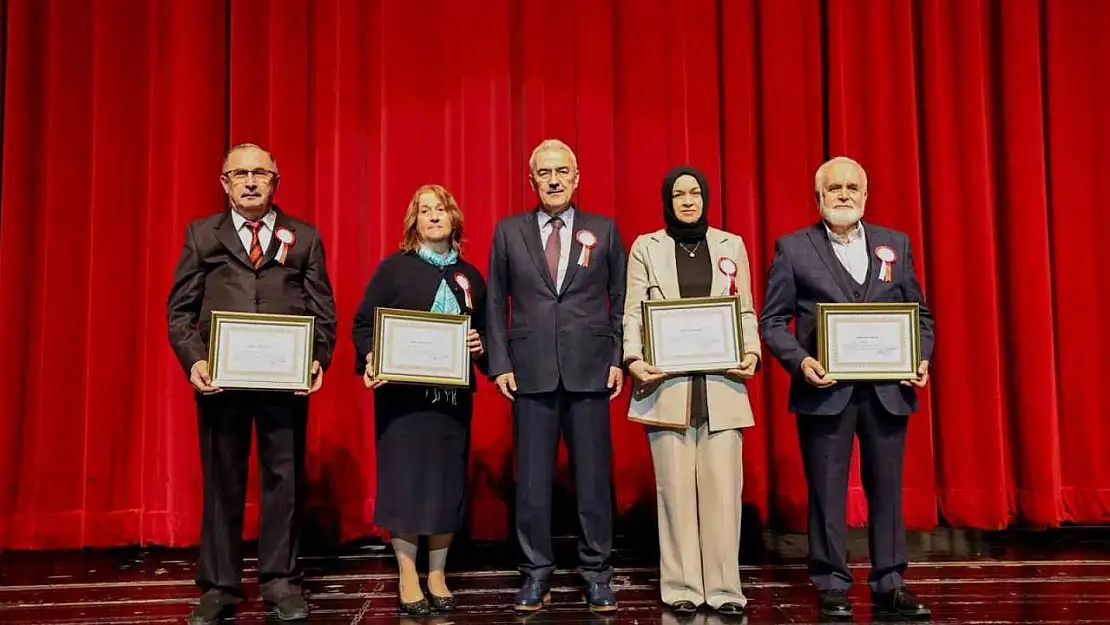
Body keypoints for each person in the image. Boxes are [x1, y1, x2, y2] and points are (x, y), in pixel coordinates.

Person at [167, 143, 338, 624]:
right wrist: (195, 361)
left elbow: (323, 310)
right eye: (239, 174)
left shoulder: (302, 237)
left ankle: (281, 581)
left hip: (284, 383)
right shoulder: (203, 235)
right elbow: (180, 312)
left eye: (259, 173)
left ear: (275, 182)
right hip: (222, 383)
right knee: (223, 481)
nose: (249, 181)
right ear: (224, 183)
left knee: (284, 481)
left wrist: (317, 358)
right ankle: (219, 585)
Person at [760, 156, 934, 620]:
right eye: (833, 188)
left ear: (865, 194)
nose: (842, 195)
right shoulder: (793, 248)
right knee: (826, 489)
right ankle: (832, 581)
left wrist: (919, 357)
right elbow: (773, 321)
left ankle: (890, 581)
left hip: (886, 390)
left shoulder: (894, 244)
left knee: (887, 489)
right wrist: (802, 362)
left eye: (851, 188)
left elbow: (921, 316)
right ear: (818, 198)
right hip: (825, 389)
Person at [486, 138, 626, 613]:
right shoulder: (508, 233)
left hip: (590, 371)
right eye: (544, 173)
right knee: (531, 484)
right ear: (532, 181)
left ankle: (597, 573)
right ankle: (534, 574)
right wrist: (501, 363)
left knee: (592, 482)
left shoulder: (604, 230)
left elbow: (621, 299)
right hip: (530, 373)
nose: (553, 179)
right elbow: (494, 301)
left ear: (577, 176)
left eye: (561, 171)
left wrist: (618, 358)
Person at [621, 166, 761, 617]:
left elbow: (745, 310)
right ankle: (680, 584)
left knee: (723, 493)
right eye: (679, 193)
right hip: (667, 386)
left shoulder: (730, 244)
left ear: (705, 197)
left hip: (723, 386)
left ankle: (724, 589)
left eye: (695, 192)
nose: (687, 200)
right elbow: (633, 314)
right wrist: (634, 359)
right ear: (667, 199)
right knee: (675, 492)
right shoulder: (647, 247)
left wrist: (753, 354)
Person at [352, 184, 487, 615]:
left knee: (447, 483)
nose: (433, 216)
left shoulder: (471, 276)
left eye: (441, 209)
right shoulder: (394, 270)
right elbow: (361, 325)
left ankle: (437, 573)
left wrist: (480, 346)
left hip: (451, 401)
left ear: (454, 219)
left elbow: (487, 336)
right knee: (405, 483)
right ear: (414, 221)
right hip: (402, 402)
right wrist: (371, 356)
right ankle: (408, 574)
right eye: (424, 210)